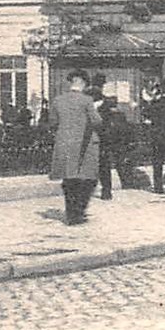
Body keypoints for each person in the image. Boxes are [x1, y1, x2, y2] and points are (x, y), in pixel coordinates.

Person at [48, 70, 101, 225]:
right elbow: (97, 121)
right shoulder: (87, 100)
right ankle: (79, 211)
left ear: (71, 82)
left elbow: (52, 122)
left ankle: (71, 213)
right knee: (88, 179)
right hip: (85, 145)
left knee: (69, 179)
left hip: (64, 143)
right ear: (83, 83)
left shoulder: (58, 100)